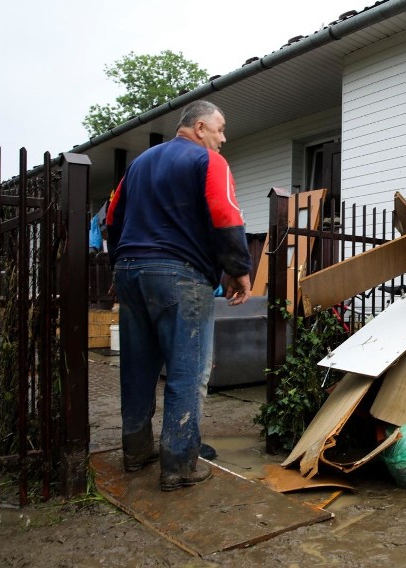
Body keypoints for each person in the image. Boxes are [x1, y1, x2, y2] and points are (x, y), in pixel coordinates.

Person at [106, 100, 252, 491]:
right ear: (200, 127)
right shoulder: (208, 162)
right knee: (188, 371)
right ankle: (180, 464)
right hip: (179, 275)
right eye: (220, 130)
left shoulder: (138, 164)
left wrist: (124, 264)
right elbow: (225, 215)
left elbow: (112, 218)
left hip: (130, 271)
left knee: (137, 368)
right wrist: (238, 270)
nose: (223, 139)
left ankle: (136, 451)